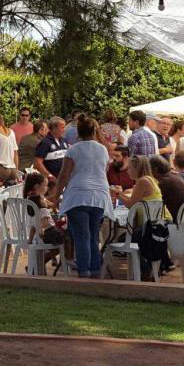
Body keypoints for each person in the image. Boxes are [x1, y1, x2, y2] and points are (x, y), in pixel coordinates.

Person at [54, 115, 111, 278]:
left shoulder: (73, 149)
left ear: (78, 132)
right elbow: (104, 170)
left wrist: (56, 196)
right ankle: (95, 271)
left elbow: (64, 175)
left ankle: (84, 271)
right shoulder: (103, 149)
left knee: (81, 237)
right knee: (93, 237)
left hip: (78, 195)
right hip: (99, 195)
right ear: (94, 131)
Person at [151, 154, 184, 221]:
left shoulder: (164, 183)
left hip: (177, 222)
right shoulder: (174, 176)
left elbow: (153, 207)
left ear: (155, 170)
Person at [33, 116, 69, 189]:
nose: (64, 130)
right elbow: (37, 163)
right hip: (51, 184)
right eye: (62, 127)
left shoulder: (64, 141)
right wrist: (49, 176)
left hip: (64, 181)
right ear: (54, 128)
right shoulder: (45, 142)